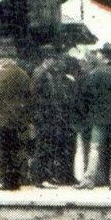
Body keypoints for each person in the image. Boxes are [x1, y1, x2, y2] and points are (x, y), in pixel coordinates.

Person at [0, 51, 35, 190]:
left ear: (5, 60)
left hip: (0, 119)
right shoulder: (23, 75)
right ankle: (13, 182)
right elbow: (30, 98)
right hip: (18, 120)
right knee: (15, 150)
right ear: (14, 60)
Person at [76, 43, 111, 187]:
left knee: (95, 148)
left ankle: (88, 180)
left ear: (104, 56)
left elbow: (86, 94)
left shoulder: (96, 73)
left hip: (98, 117)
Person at [32, 49, 79, 187]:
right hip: (44, 117)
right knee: (43, 147)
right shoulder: (41, 74)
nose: (55, 63)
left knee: (47, 147)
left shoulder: (45, 74)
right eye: (53, 60)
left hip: (48, 117)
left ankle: (45, 177)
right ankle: (41, 178)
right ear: (47, 59)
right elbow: (36, 97)